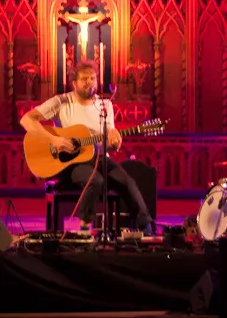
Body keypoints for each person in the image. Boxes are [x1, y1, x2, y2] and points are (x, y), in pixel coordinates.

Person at [19, 60, 153, 234]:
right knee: (95, 180)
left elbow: (108, 143)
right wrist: (54, 140)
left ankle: (146, 228)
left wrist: (114, 143)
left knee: (127, 182)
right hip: (70, 163)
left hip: (98, 158)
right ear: (74, 83)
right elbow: (26, 120)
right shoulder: (62, 101)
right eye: (84, 79)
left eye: (93, 78)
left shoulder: (105, 106)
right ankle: (84, 229)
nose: (89, 82)